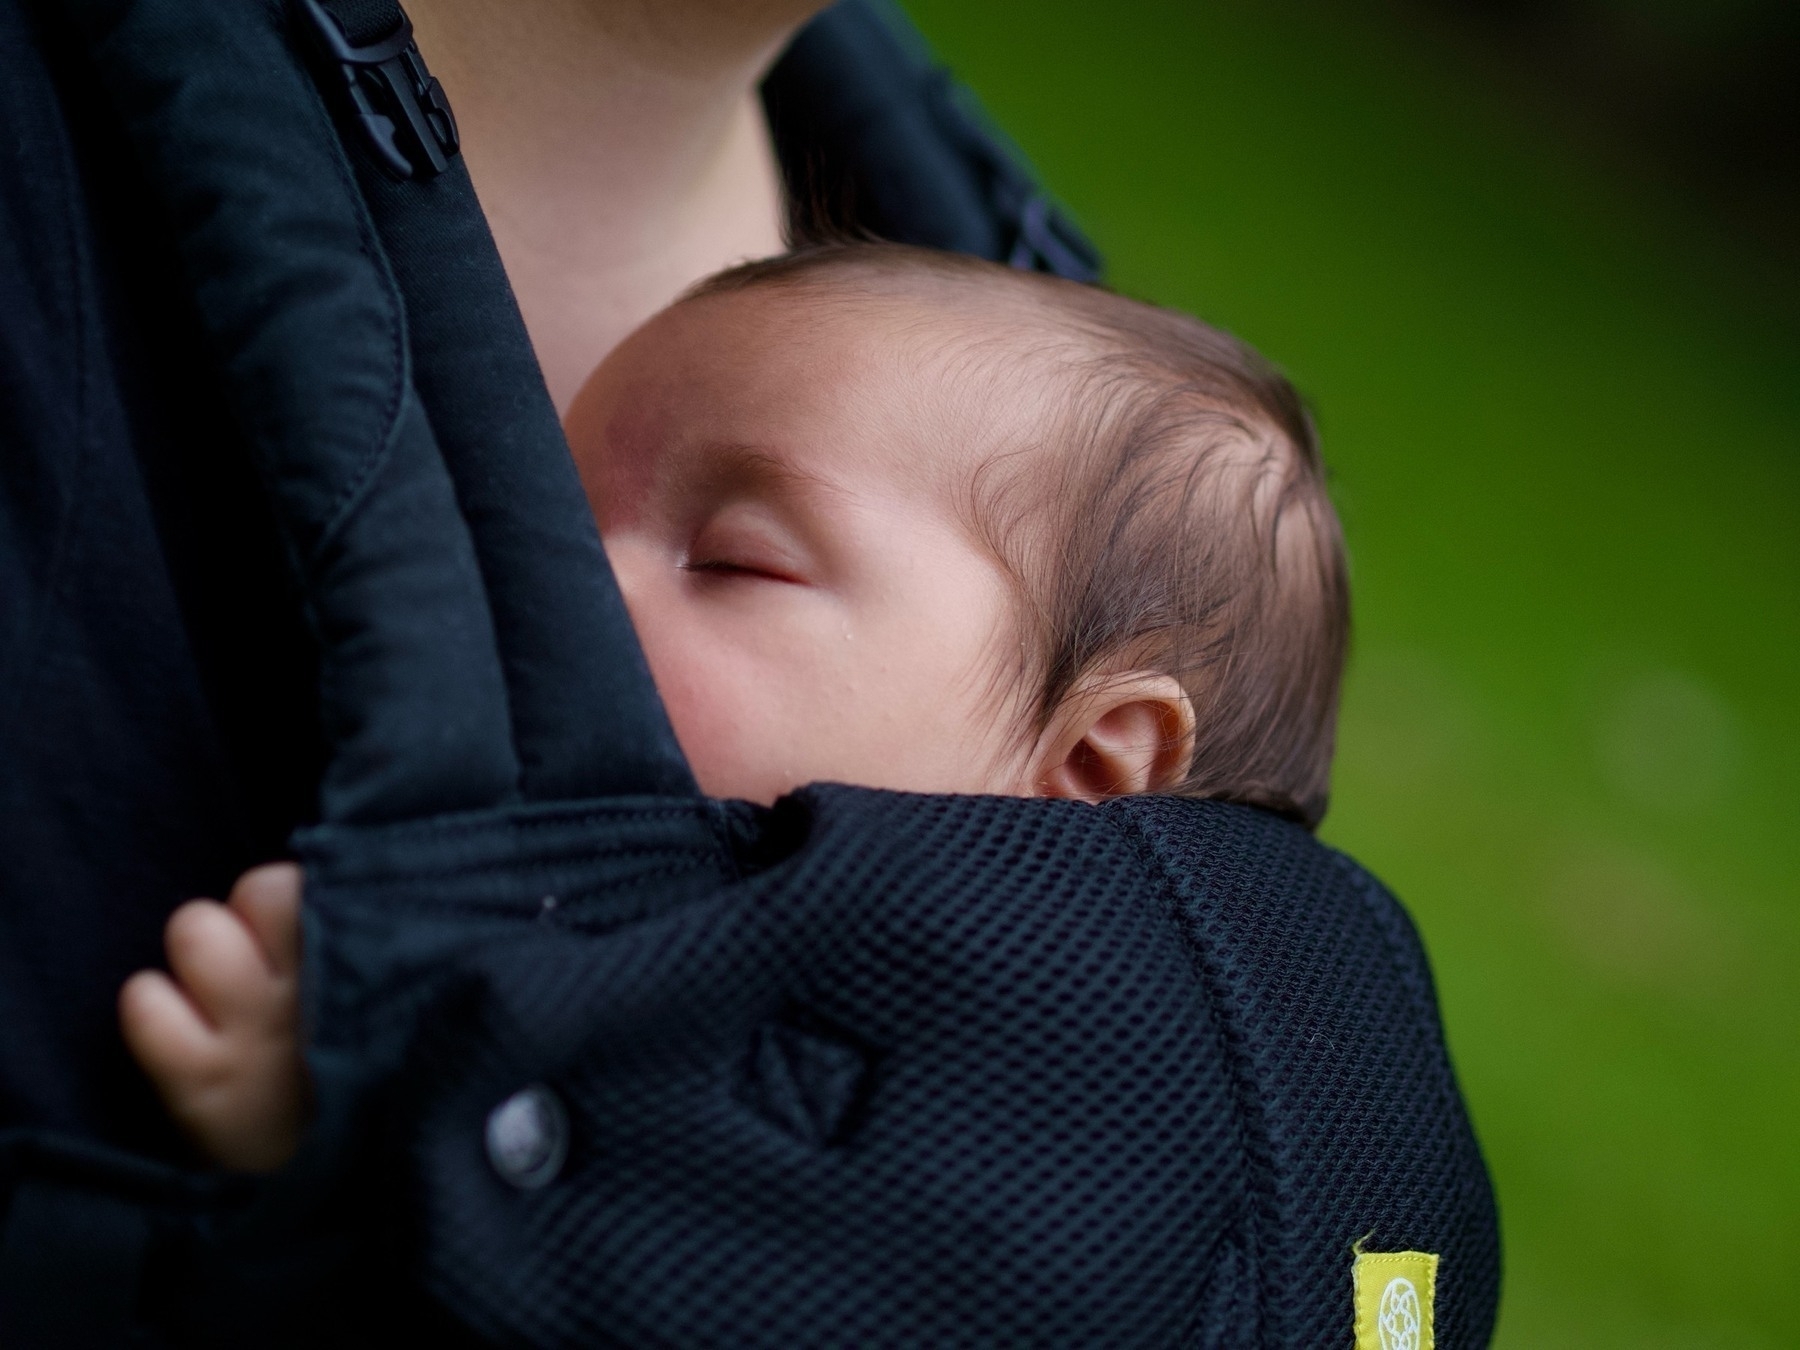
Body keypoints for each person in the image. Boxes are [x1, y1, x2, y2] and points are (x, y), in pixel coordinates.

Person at [0, 0, 1087, 1153]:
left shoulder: (1050, 375)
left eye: (735, 563)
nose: (581, 587)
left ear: (1096, 762)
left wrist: (401, 1151)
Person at [118, 242, 1348, 1172]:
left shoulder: (1038, 1123)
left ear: (1086, 767)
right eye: (550, 512)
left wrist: (368, 1111)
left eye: (732, 560)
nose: (554, 577)